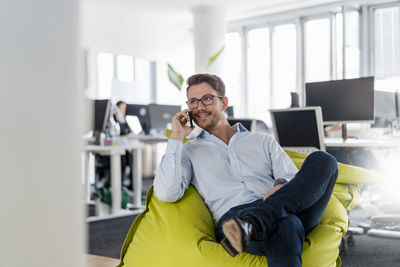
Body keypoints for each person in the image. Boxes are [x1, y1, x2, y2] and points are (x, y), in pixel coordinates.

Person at [153, 74, 338, 267]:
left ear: (224, 102)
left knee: (323, 159)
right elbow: (167, 193)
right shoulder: (188, 150)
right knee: (287, 223)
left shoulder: (262, 140)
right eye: (193, 101)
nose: (199, 107)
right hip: (235, 220)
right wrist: (176, 136)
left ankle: (257, 221)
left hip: (278, 207)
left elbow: (292, 179)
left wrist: (281, 186)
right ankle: (258, 221)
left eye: (207, 99)